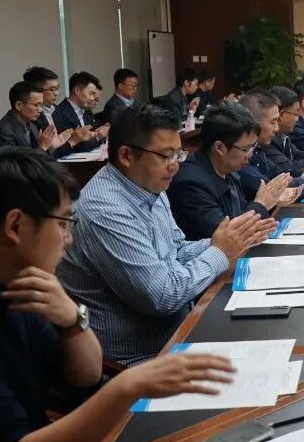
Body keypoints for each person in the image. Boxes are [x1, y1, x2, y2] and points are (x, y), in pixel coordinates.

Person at [0, 147, 237, 442]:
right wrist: (127, 386)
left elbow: (82, 380)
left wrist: (73, 320)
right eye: (63, 224)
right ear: (14, 226)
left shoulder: (16, 283)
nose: (69, 239)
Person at [57, 105, 275, 365]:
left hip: (179, 332)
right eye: (166, 156)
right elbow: (163, 296)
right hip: (139, 362)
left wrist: (228, 240)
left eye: (178, 154)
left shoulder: (148, 185)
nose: (175, 166)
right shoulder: (105, 211)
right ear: (126, 155)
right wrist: (219, 252)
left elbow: (176, 250)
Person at [169, 101, 298, 241]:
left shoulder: (228, 168)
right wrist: (262, 203)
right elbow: (224, 237)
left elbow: (241, 212)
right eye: (245, 149)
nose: (250, 155)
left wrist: (271, 201)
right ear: (220, 147)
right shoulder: (190, 183)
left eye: (252, 147)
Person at [0, 82, 72, 153]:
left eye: (41, 105)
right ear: (19, 105)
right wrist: (43, 147)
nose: (40, 110)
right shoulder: (2, 131)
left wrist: (51, 148)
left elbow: (41, 158)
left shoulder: (32, 125)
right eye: (36, 105)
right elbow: (15, 165)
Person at [53, 71, 110, 153]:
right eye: (91, 94)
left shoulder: (86, 112)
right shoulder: (61, 113)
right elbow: (78, 147)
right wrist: (98, 137)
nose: (92, 98)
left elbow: (91, 137)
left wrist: (99, 132)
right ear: (77, 91)